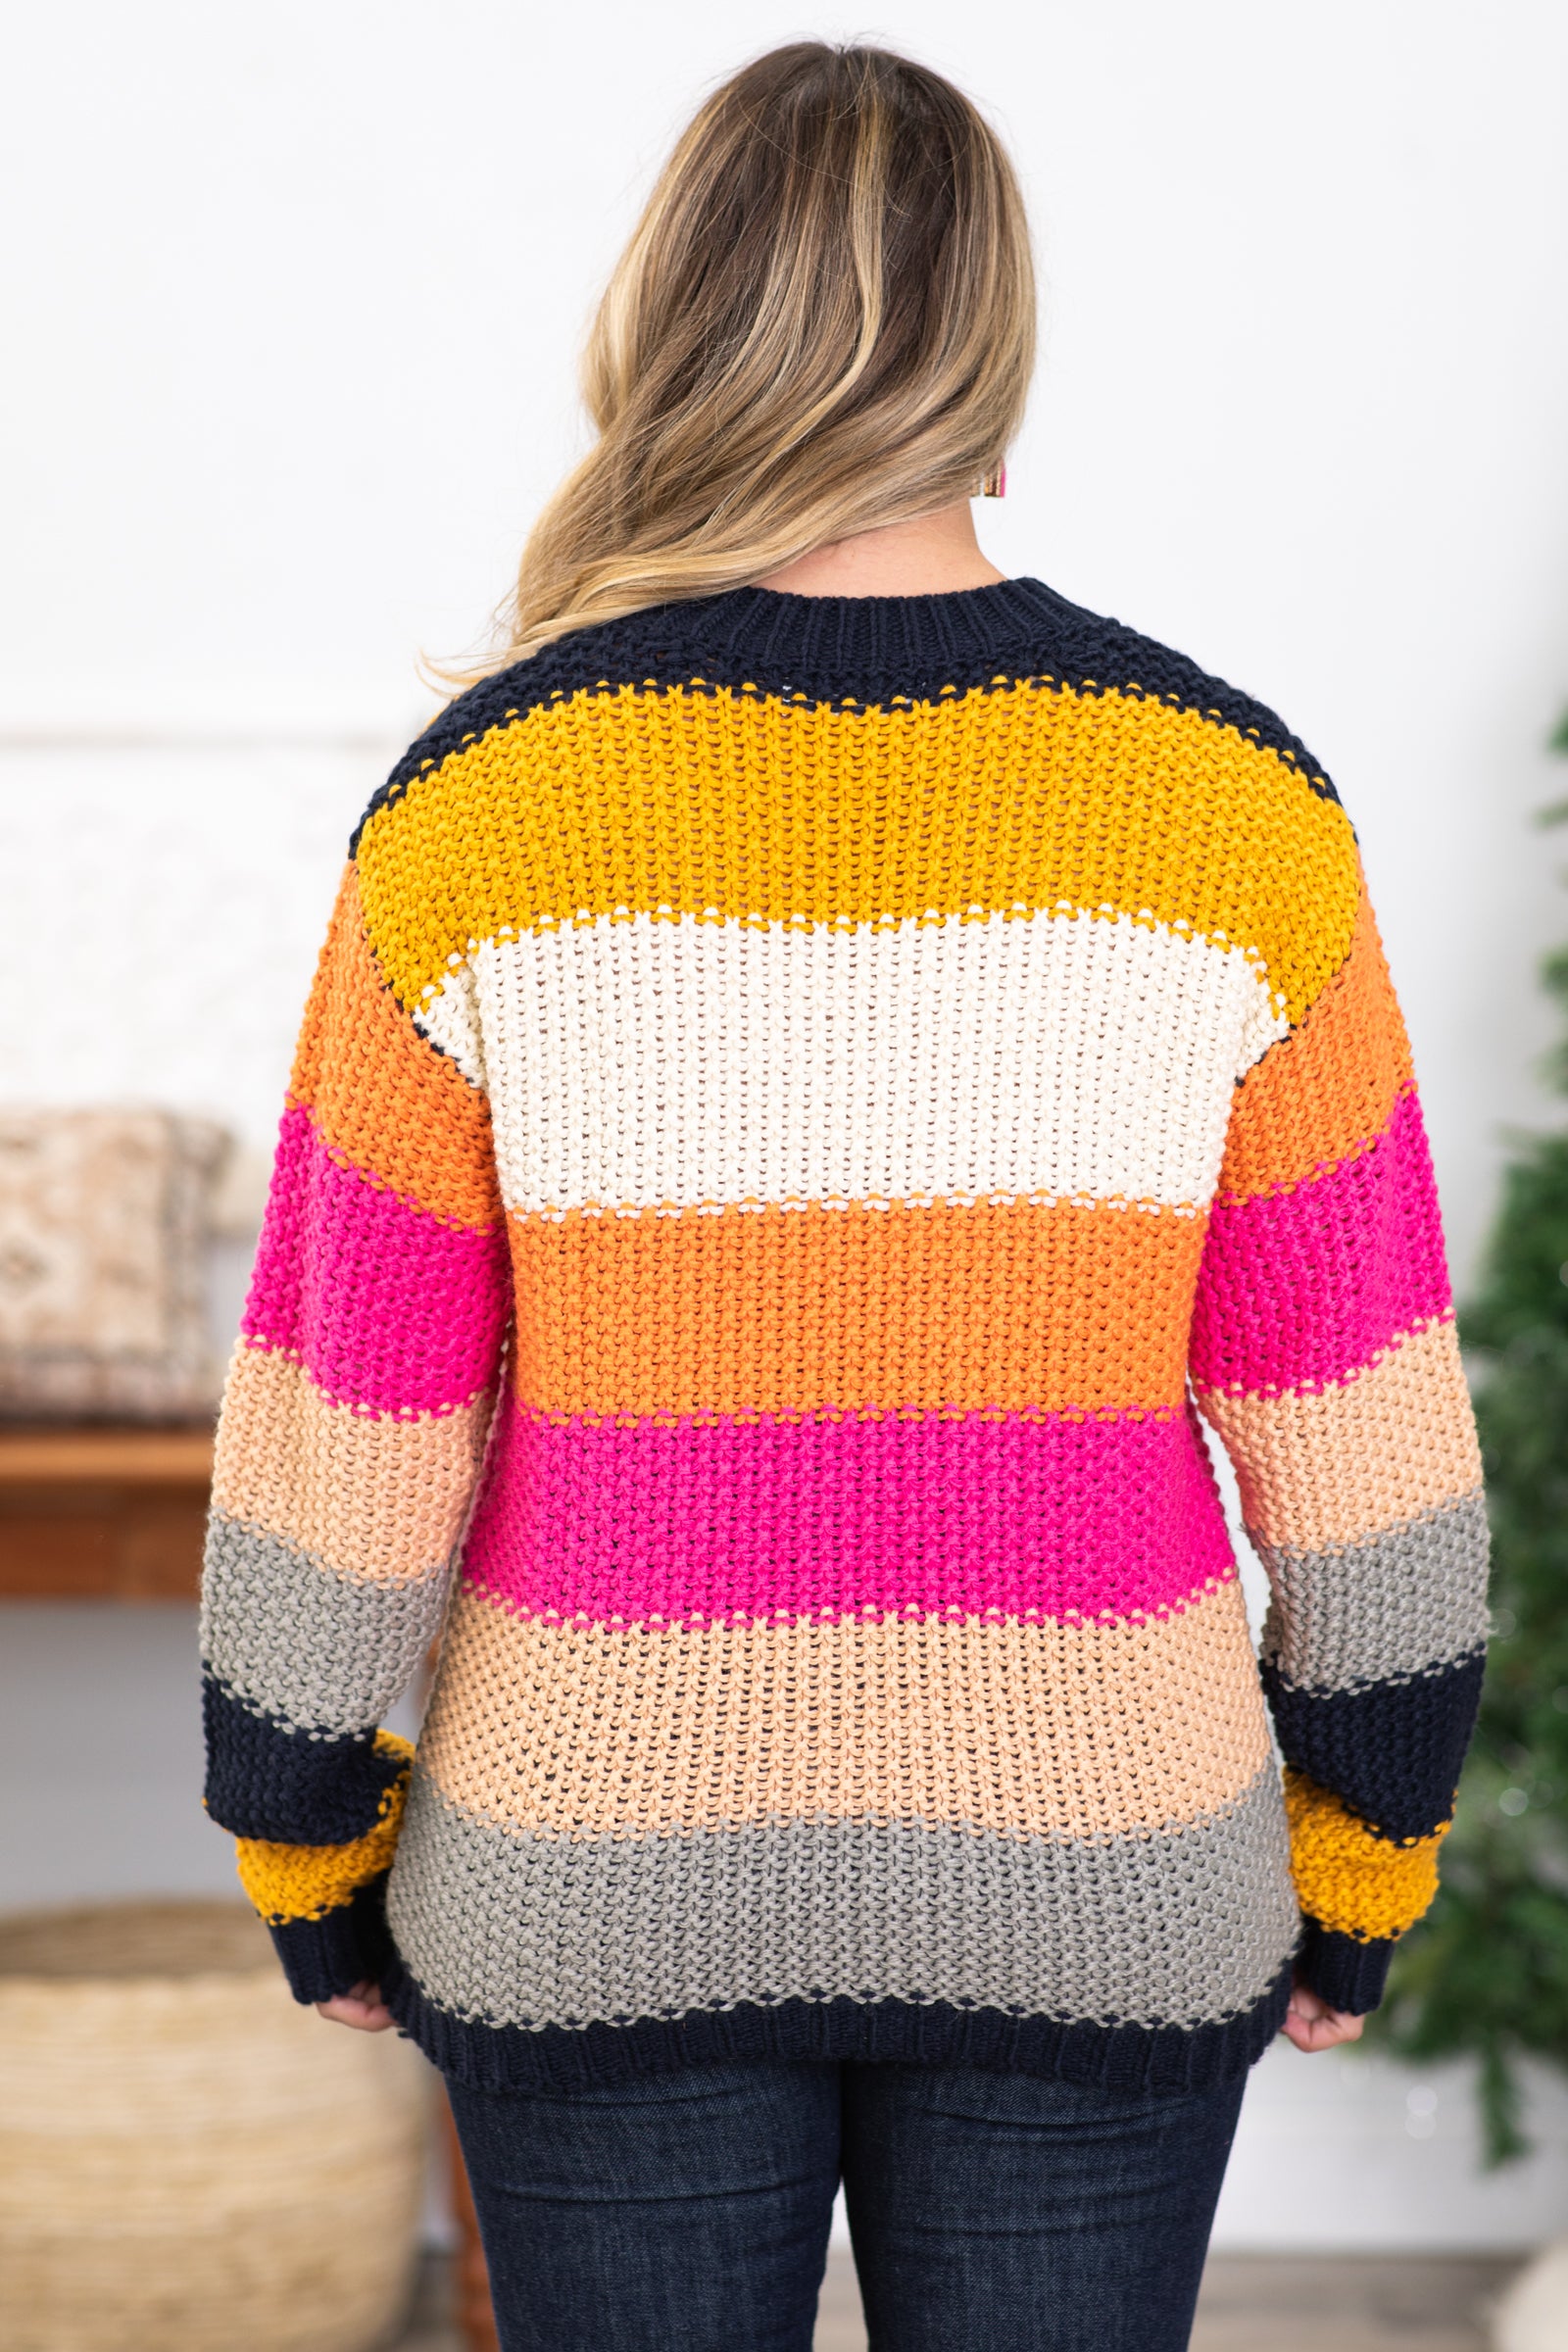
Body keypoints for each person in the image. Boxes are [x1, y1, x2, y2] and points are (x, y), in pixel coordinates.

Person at [200, 41, 1490, 2352]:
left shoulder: (482, 810)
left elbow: (346, 1411)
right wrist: (1362, 1842)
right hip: (1108, 1861)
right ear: (995, 350)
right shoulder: (1229, 811)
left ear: (670, 328)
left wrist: (304, 1833)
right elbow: (1364, 1427)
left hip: (586, 1871)